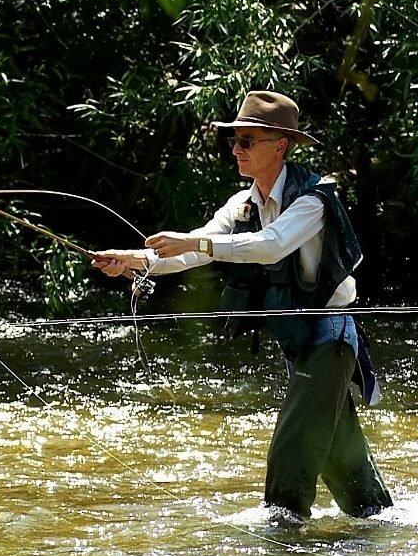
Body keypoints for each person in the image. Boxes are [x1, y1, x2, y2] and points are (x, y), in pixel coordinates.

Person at [91, 90, 393, 522]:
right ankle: (382, 527)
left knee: (293, 447)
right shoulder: (243, 205)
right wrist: (133, 260)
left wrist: (195, 241)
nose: (236, 149)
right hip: (301, 343)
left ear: (280, 145)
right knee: (341, 459)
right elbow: (192, 251)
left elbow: (270, 246)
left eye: (246, 140)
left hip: (330, 338)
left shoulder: (313, 200)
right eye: (234, 141)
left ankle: (280, 543)